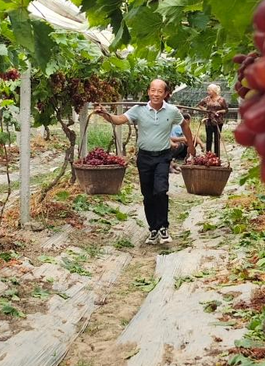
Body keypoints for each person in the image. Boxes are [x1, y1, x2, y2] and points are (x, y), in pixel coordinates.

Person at [95, 79, 195, 245]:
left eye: (159, 91)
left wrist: (191, 145)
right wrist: (105, 114)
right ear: (148, 92)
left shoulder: (171, 111)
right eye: (153, 90)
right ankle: (153, 229)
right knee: (147, 194)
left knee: (160, 191)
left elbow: (184, 125)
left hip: (163, 157)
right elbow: (119, 119)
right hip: (144, 158)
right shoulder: (138, 110)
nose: (156, 94)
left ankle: (163, 227)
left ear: (166, 94)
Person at [197, 83, 228, 156]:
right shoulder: (207, 99)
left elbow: (226, 110)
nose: (208, 92)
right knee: (208, 139)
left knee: (217, 139)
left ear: (214, 91)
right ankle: (208, 155)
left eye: (209, 90)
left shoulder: (221, 100)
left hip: (218, 122)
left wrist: (219, 111)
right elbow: (200, 105)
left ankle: (217, 157)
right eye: (208, 90)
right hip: (209, 121)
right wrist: (206, 110)